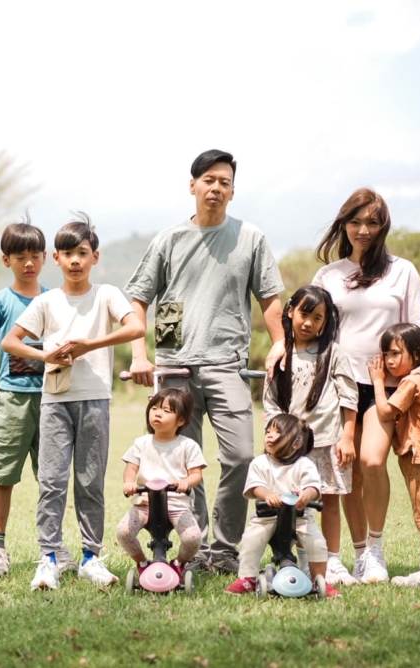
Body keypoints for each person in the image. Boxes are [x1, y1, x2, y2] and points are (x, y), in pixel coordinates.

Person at [125, 149, 286, 574]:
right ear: (192, 185)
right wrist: (140, 353)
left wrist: (279, 343)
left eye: (225, 182)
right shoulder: (168, 240)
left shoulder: (250, 237)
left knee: (239, 456)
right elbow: (138, 299)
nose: (216, 188)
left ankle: (225, 547)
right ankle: (193, 550)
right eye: (208, 180)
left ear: (233, 191)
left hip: (227, 363)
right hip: (175, 365)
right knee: (180, 460)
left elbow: (271, 298)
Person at [2, 215, 146, 591]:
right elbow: (11, 342)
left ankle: (90, 558)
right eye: (67, 254)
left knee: (90, 482)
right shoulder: (48, 301)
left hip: (95, 400)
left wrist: (90, 345)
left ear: (95, 257)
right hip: (55, 402)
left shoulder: (107, 295)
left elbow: (136, 327)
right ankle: (48, 559)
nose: (75, 261)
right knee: (51, 482)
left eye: (82, 253)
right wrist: (47, 355)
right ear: (56, 258)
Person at [311, 188, 420, 584]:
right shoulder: (329, 275)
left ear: (383, 225)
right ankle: (358, 553)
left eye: (372, 222)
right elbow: (313, 328)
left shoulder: (403, 270)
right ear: (343, 224)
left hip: (386, 383)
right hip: (339, 384)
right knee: (348, 471)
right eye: (355, 221)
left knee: (371, 462)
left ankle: (376, 551)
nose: (363, 230)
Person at [0, 218, 79, 578]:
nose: (29, 263)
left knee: (51, 478)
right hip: (11, 401)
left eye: (35, 255)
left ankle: (54, 548)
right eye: (20, 256)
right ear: (7, 260)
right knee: (3, 474)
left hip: (53, 400)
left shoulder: (56, 301)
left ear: (45, 258)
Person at [263, 285, 359, 586]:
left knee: (329, 501)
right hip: (289, 450)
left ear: (325, 323)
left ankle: (332, 561)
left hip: (328, 442)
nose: (309, 322)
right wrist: (277, 439)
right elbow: (270, 402)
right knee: (290, 504)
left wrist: (347, 437)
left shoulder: (333, 354)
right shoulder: (281, 355)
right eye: (304, 313)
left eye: (318, 318)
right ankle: (298, 560)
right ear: (290, 311)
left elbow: (349, 397)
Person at [368, 323, 420, 590]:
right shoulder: (419, 380)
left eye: (395, 354)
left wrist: (378, 382)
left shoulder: (411, 382)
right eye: (386, 354)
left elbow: (385, 412)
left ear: (416, 355)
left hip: (417, 455)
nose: (389, 361)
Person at [224, 414, 340, 597]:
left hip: (299, 518)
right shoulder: (260, 462)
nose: (269, 435)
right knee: (251, 538)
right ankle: (248, 577)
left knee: (317, 542)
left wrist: (305, 495)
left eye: (277, 432)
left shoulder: (304, 465)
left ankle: (319, 580)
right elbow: (255, 487)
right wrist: (268, 495)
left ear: (296, 443)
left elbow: (314, 487)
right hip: (266, 517)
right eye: (268, 431)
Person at [116, 388, 207, 574]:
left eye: (167, 411)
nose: (158, 413)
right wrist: (129, 482)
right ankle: (142, 563)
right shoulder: (141, 443)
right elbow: (130, 469)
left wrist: (186, 483)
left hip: (176, 503)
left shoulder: (188, 446)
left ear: (180, 420)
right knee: (123, 532)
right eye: (155, 408)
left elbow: (196, 474)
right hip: (145, 503)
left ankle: (179, 564)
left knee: (192, 538)